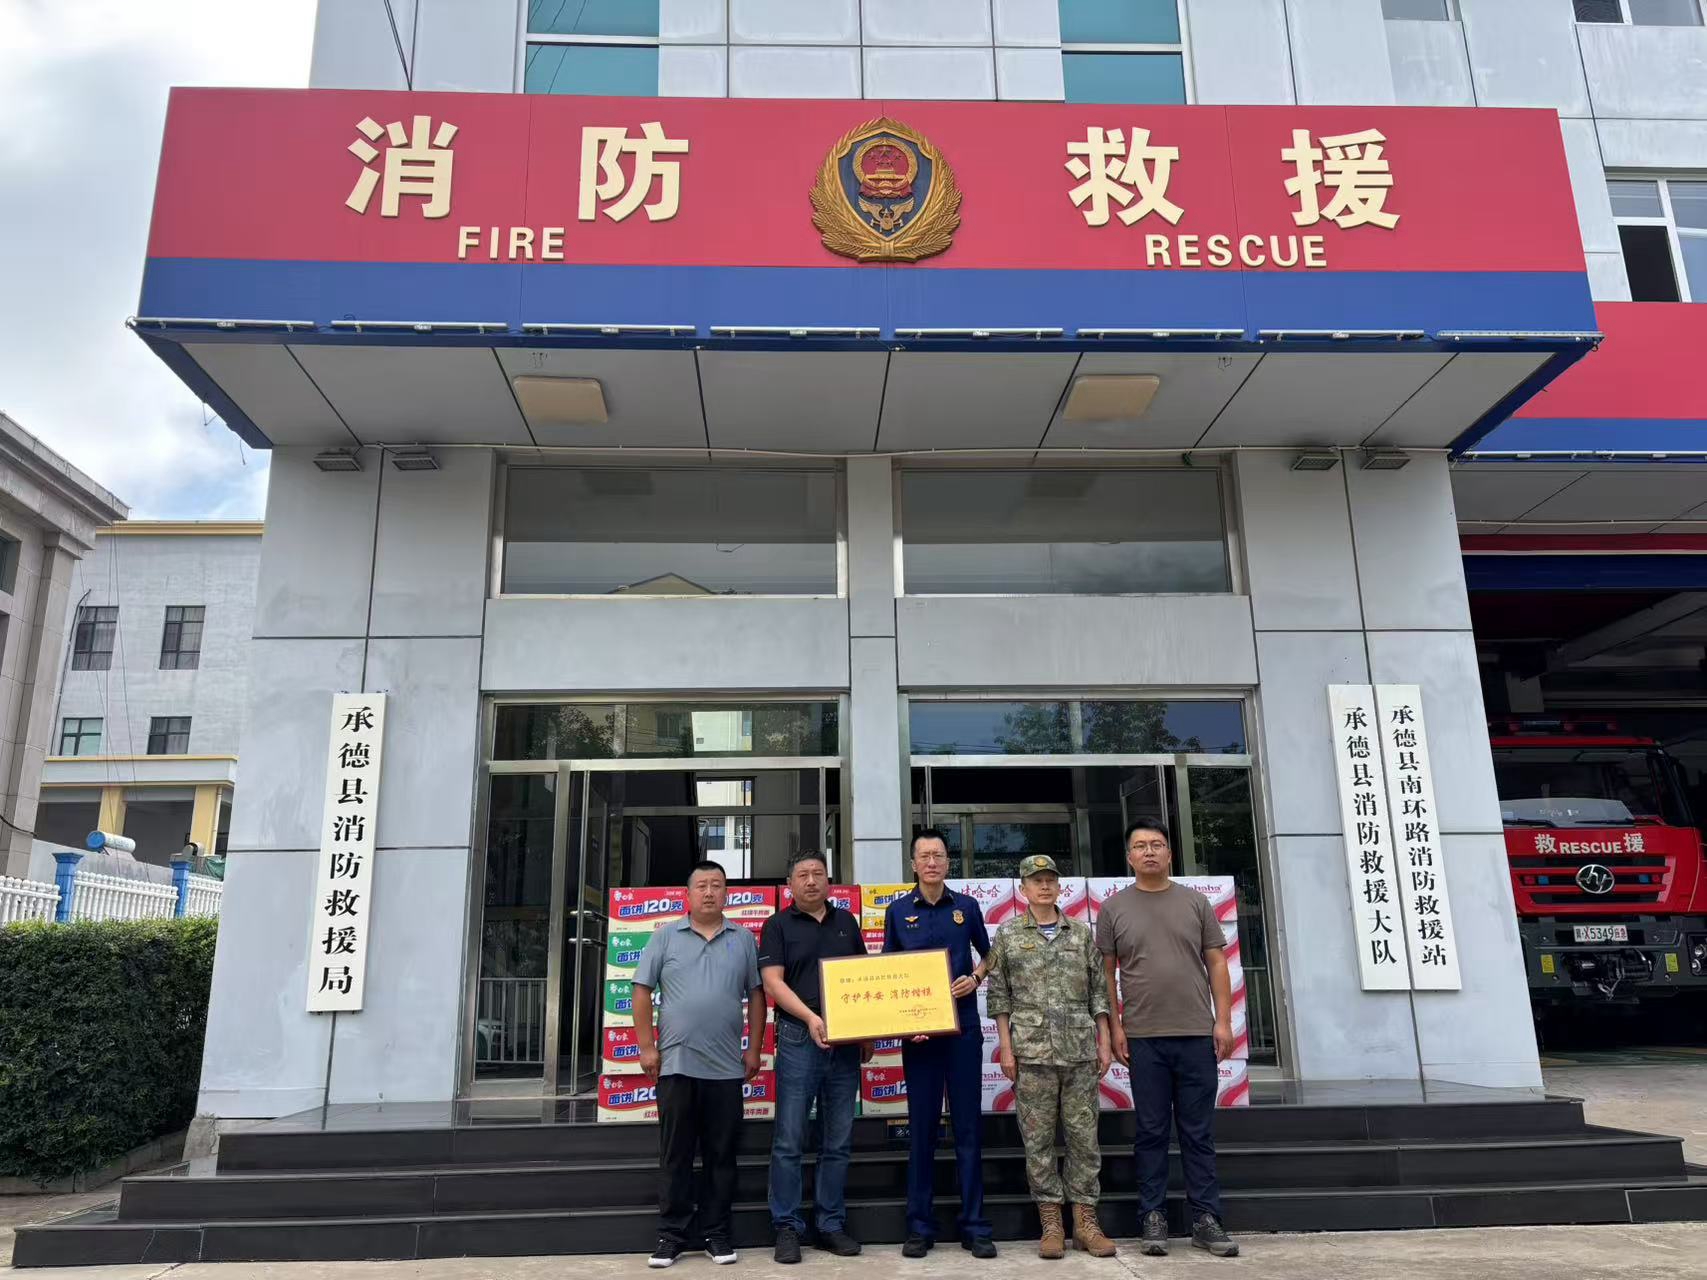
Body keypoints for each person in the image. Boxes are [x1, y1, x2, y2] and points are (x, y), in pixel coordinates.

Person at [1095, 819, 1239, 1259]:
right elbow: (1106, 975)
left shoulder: (1196, 903)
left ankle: (1206, 1219)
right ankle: (1152, 1216)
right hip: (1143, 1038)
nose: (1149, 851)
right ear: (1129, 857)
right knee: (1151, 1131)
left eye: (1157, 844)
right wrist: (1116, 1028)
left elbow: (1217, 963)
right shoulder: (1113, 908)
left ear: (1170, 853)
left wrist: (1223, 1021)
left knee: (1198, 1132)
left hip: (1196, 1034)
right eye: (1140, 846)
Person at [632, 862, 765, 1269]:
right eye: (702, 886)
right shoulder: (665, 936)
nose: (709, 892)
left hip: (726, 1068)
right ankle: (671, 1235)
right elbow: (641, 990)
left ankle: (716, 1232)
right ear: (687, 894)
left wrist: (754, 1049)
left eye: (717, 886)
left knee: (721, 1155)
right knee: (675, 1154)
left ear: (727, 894)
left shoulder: (743, 939)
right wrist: (646, 1047)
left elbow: (757, 995)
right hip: (675, 1065)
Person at [986, 854, 1117, 1260]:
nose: (1044, 886)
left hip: (1079, 1053)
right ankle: (1051, 1223)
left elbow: (1098, 992)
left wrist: (1104, 1040)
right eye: (1036, 881)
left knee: (1084, 1140)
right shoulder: (1008, 935)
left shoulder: (1079, 933)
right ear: (1023, 889)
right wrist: (1006, 1046)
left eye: (1050, 880)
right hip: (1031, 1054)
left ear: (1060, 887)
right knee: (1038, 1142)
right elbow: (999, 995)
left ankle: (1085, 1222)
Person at [882, 828, 996, 1259]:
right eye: (924, 856)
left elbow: (990, 955)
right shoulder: (897, 912)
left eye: (939, 855)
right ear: (913, 864)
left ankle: (975, 1226)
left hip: (962, 1031)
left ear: (948, 862)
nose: (932, 862)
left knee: (968, 1129)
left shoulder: (966, 908)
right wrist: (902, 1023)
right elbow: (889, 974)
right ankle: (919, 1227)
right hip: (919, 1038)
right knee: (922, 1132)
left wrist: (976, 978)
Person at [759, 851, 870, 1264]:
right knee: (789, 1139)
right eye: (802, 875)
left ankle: (829, 1225)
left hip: (845, 1042)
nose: (810, 881)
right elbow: (773, 982)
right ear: (790, 884)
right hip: (798, 1036)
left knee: (837, 1140)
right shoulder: (777, 925)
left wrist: (867, 1032)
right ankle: (787, 1226)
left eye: (818, 874)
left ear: (828, 880)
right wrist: (810, 1018)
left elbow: (862, 978)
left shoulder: (847, 923)